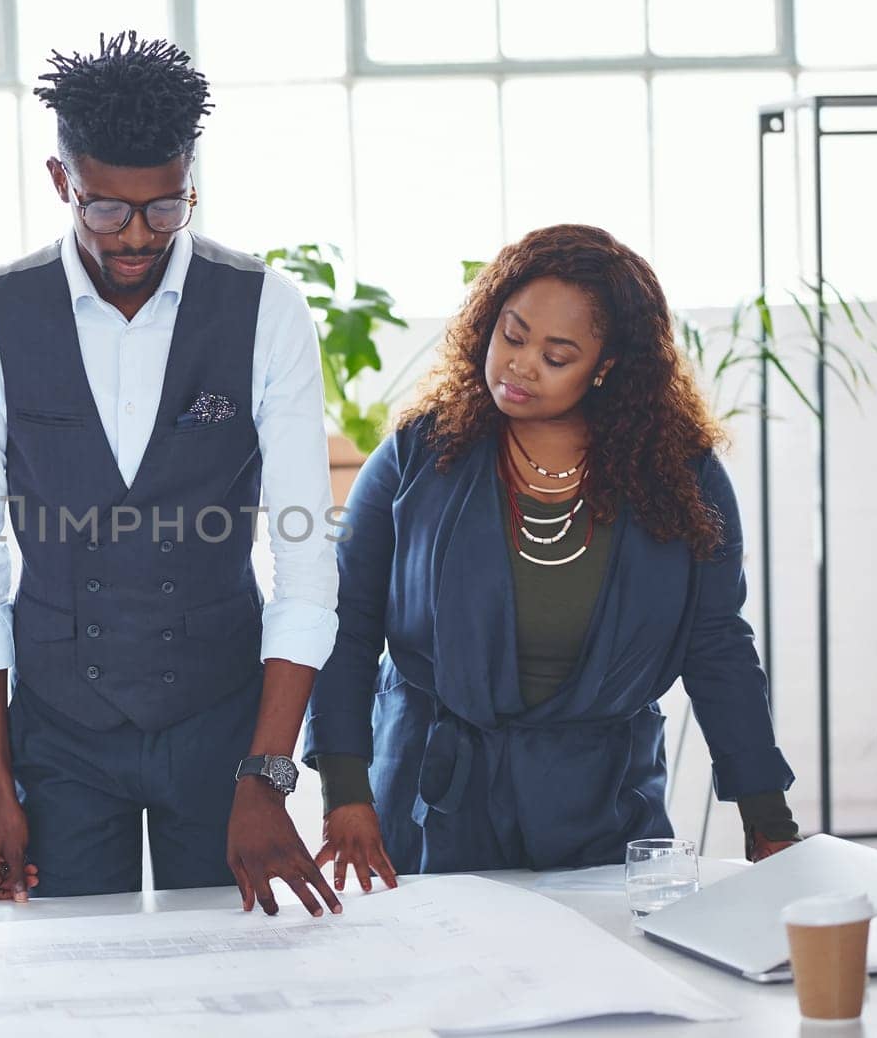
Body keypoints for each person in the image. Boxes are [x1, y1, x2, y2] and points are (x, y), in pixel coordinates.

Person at [0, 32, 342, 916]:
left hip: (222, 728)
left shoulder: (266, 311)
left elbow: (307, 562)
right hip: (61, 737)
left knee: (237, 980)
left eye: (165, 209)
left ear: (191, 180)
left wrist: (269, 775)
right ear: (61, 182)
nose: (135, 237)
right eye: (105, 209)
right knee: (72, 988)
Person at [306, 224, 800, 886]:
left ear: (607, 367)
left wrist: (767, 817)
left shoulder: (683, 479)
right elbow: (348, 623)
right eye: (512, 334)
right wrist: (345, 791)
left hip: (602, 805)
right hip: (433, 800)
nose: (520, 363)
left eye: (556, 354)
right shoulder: (417, 454)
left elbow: (716, 645)